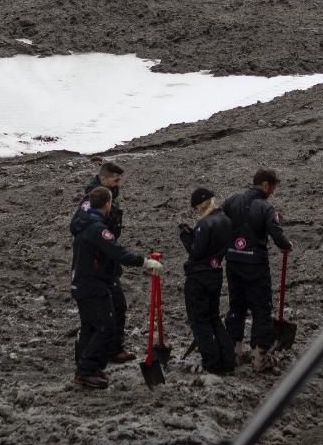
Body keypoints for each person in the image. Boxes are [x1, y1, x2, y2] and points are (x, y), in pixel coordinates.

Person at [71, 186, 162, 390]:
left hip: (80, 282)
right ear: (107, 204)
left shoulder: (82, 223)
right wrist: (144, 262)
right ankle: (86, 370)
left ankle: (86, 368)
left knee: (90, 327)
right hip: (93, 285)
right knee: (106, 327)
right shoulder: (97, 229)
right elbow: (117, 251)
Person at [223, 168, 292, 371]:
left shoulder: (231, 200)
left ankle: (234, 352)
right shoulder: (265, 208)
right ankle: (259, 357)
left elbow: (219, 223)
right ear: (264, 185)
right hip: (255, 265)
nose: (272, 191)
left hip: (233, 261)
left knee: (237, 306)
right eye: (272, 187)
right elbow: (277, 236)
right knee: (261, 308)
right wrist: (287, 245)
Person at [70, 161, 130, 363]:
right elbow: (77, 225)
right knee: (98, 316)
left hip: (108, 259)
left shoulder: (110, 195)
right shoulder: (92, 201)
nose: (119, 183)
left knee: (119, 306)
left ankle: (114, 348)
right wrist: (100, 236)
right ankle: (88, 357)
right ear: (103, 179)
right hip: (96, 263)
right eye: (116, 179)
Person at [179, 187, 236, 376]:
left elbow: (196, 252)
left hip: (199, 276)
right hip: (216, 272)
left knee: (199, 320)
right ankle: (228, 360)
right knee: (214, 317)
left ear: (199, 206)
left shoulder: (205, 223)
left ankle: (211, 361)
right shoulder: (226, 221)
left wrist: (186, 236)